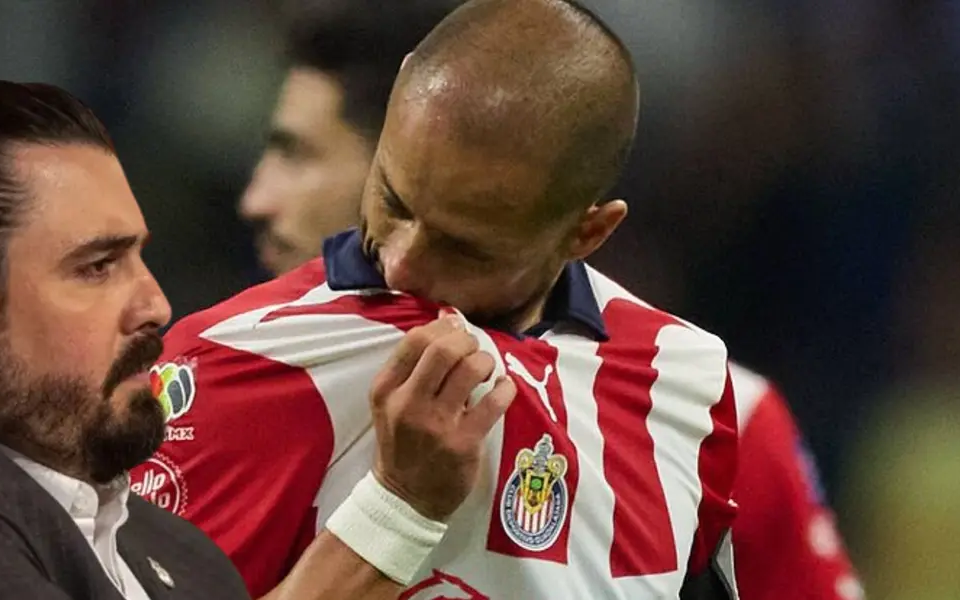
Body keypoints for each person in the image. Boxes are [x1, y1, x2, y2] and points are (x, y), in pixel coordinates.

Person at [237, 0, 861, 597]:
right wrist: (395, 514)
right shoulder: (224, 370)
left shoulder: (712, 414)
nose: (258, 198)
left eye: (301, 156)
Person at [0, 80, 508, 600]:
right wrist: (397, 513)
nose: (155, 304)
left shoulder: (177, 551)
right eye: (95, 267)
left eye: (140, 258)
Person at [134, 1, 739, 598]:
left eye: (465, 247)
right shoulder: (229, 362)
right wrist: (396, 512)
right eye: (393, 201)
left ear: (589, 233)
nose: (401, 261)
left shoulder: (680, 380)